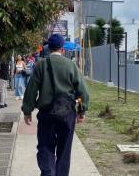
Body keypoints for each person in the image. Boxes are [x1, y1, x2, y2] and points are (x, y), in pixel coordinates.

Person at [21, 33, 90, 176]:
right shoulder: (70, 65)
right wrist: (81, 111)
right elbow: (83, 91)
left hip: (46, 113)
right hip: (67, 114)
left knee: (45, 147)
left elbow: (31, 89)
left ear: (49, 48)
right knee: (64, 150)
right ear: (63, 49)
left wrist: (27, 110)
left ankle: (48, 173)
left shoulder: (40, 65)